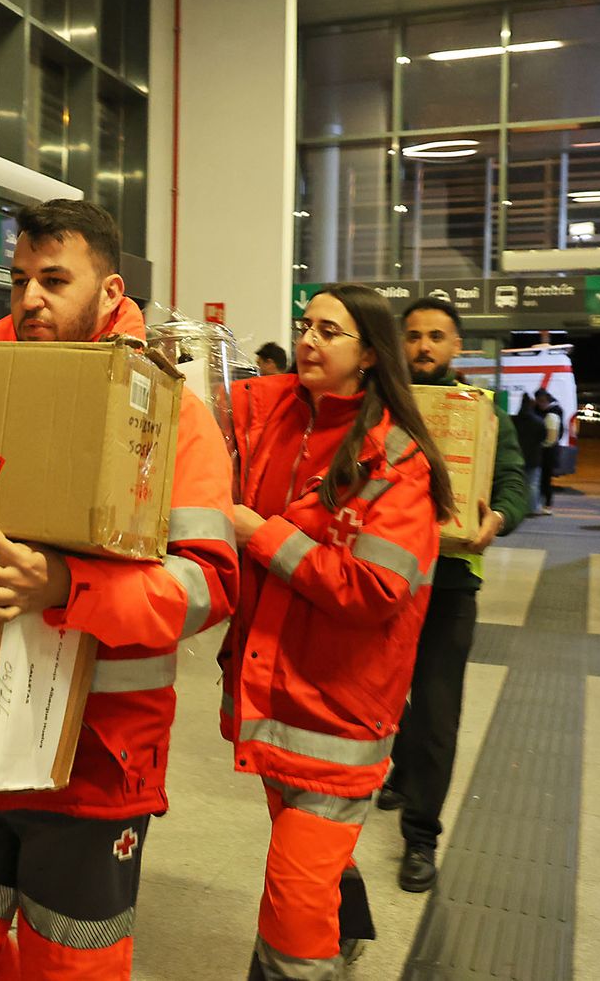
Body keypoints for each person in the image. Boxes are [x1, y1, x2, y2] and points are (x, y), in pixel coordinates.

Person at [0, 201, 239, 981]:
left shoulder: (171, 415)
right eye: (18, 280)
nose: (29, 299)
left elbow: (206, 585)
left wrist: (65, 583)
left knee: (72, 965)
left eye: (53, 280)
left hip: (97, 752)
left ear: (111, 291)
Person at [223, 284, 451, 980]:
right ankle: (344, 917)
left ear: (370, 355)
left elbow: (377, 590)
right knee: (309, 869)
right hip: (271, 698)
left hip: (340, 716)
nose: (309, 339)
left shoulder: (398, 461)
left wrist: (265, 537)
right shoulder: (277, 413)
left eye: (329, 329)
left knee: (292, 908)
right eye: (305, 324)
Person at [374, 297, 527, 894]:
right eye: (412, 337)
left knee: (436, 713)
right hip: (381, 579)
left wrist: (502, 518)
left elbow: (513, 481)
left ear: (457, 346)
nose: (423, 348)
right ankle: (404, 765)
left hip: (449, 584)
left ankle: (421, 836)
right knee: (382, 698)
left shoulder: (484, 412)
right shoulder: (381, 406)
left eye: (437, 337)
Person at [513, 393, 546, 517]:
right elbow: (543, 437)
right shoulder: (538, 421)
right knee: (532, 484)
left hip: (518, 456)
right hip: (534, 457)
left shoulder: (515, 420)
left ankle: (517, 507)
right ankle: (531, 508)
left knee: (518, 484)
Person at [534, 388, 563, 515]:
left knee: (546, 479)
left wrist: (544, 444)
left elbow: (556, 434)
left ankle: (548, 504)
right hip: (541, 450)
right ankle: (540, 503)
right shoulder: (538, 410)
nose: (540, 404)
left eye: (542, 402)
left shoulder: (554, 412)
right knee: (539, 479)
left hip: (549, 451)